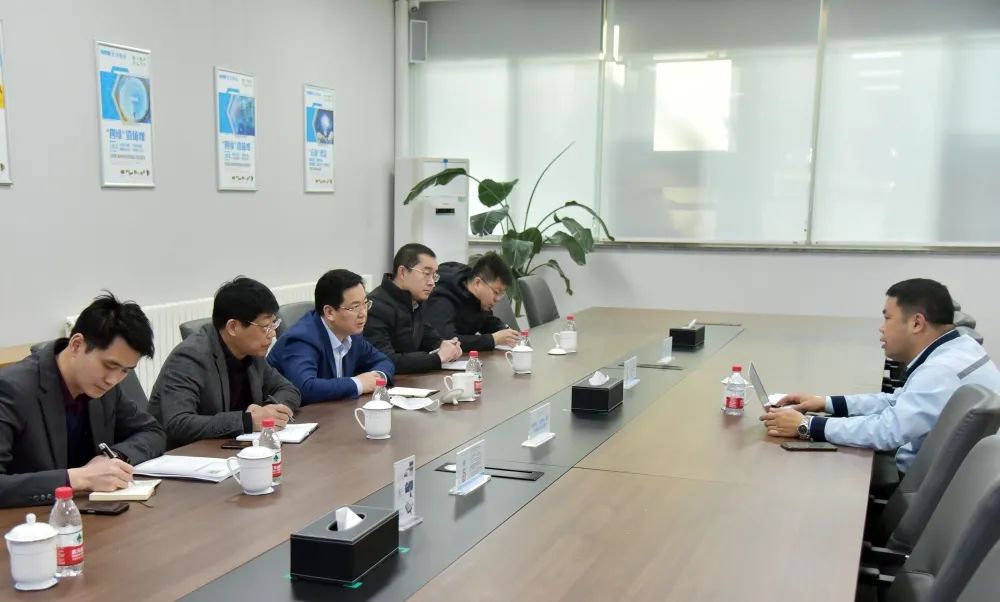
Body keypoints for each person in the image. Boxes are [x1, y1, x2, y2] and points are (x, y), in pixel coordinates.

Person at [761, 278, 1000, 476]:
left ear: (917, 323)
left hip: (917, 488)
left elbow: (887, 431)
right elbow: (898, 400)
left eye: (887, 318)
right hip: (945, 476)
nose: (881, 327)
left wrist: (807, 426)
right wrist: (825, 403)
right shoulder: (960, 347)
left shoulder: (941, 371)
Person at [0, 293, 166, 508]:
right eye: (109, 365)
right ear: (77, 344)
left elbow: (152, 432)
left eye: (125, 371)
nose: (113, 379)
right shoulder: (12, 389)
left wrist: (112, 458)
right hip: (29, 520)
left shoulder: (105, 388)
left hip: (88, 512)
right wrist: (78, 478)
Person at [149, 277, 301, 449]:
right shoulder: (189, 357)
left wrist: (268, 412)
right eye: (265, 326)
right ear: (233, 327)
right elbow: (178, 423)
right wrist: (247, 421)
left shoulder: (251, 352)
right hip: (188, 454)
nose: (272, 334)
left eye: (274, 324)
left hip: (233, 449)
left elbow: (288, 389)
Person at [268, 269, 395, 404]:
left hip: (335, 410)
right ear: (329, 312)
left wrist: (377, 378)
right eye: (355, 307)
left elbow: (383, 361)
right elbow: (305, 388)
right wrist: (358, 383)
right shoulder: (301, 339)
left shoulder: (352, 334)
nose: (363, 313)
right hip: (300, 414)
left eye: (365, 304)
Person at [364, 243, 462, 373]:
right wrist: (438, 357)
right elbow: (385, 360)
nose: (432, 283)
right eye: (426, 273)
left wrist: (447, 346)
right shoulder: (376, 306)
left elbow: (429, 338)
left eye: (434, 275)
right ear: (403, 272)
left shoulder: (415, 301)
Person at [424, 252, 521, 351]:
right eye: (496, 292)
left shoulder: (477, 297)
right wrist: (493, 339)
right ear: (477, 283)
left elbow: (485, 321)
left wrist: (504, 330)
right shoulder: (442, 296)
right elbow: (446, 341)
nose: (498, 299)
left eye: (501, 294)